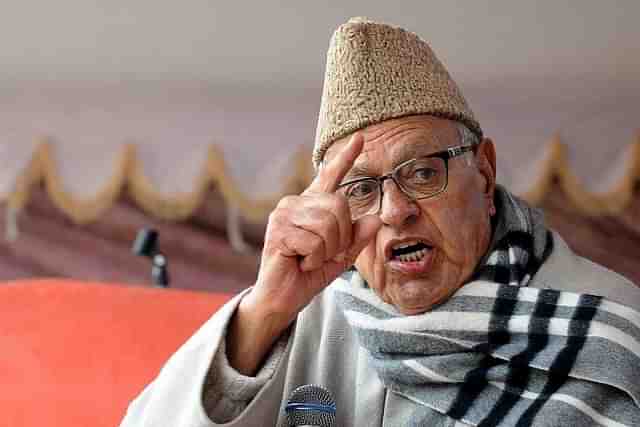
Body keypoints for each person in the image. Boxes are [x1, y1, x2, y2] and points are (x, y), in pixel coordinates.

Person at [120, 18, 640, 426]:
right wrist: (264, 310)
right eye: (362, 189)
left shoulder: (607, 327)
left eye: (420, 173)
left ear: (483, 173)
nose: (395, 211)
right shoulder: (301, 318)